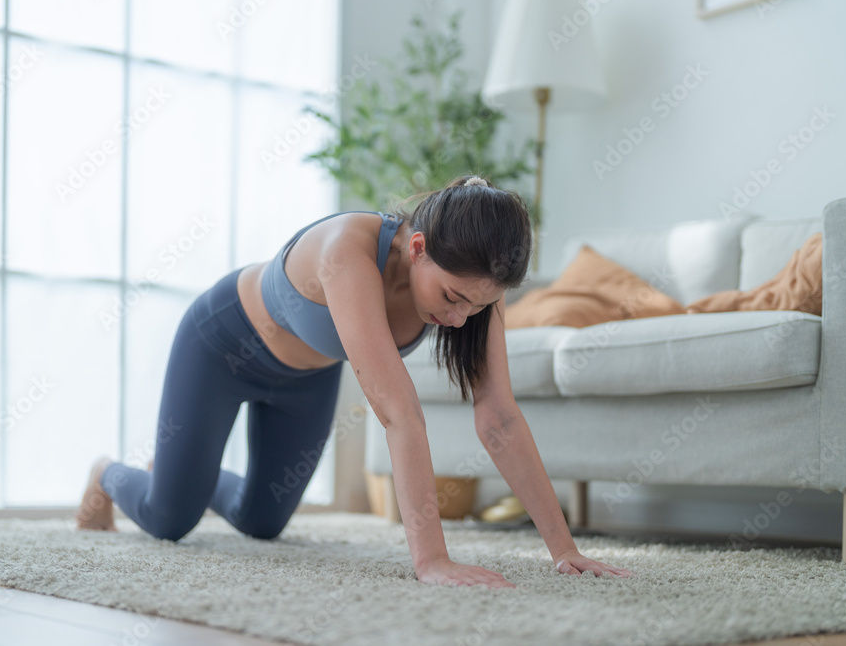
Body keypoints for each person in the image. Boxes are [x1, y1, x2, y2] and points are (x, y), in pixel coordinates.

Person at [76, 174, 635, 588]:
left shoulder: (476, 286)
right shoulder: (346, 251)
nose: (462, 318)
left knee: (262, 520)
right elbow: (399, 414)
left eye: (477, 305)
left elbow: (500, 418)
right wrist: (432, 562)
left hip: (304, 379)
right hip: (221, 348)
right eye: (453, 299)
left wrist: (564, 549)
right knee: (170, 520)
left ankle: (182, 474)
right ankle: (109, 474)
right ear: (418, 248)